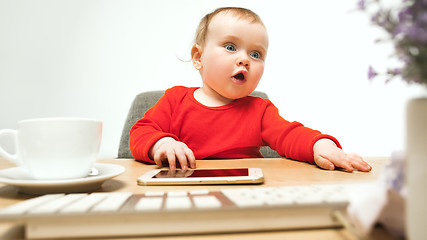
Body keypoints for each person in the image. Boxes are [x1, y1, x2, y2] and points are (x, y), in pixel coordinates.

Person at [129, 7, 372, 173]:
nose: (244, 59)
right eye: (231, 46)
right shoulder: (175, 99)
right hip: (186, 189)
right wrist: (160, 144)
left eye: (256, 54)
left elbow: (290, 135)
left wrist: (320, 146)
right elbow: (141, 132)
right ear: (198, 57)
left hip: (247, 191)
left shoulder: (260, 110)